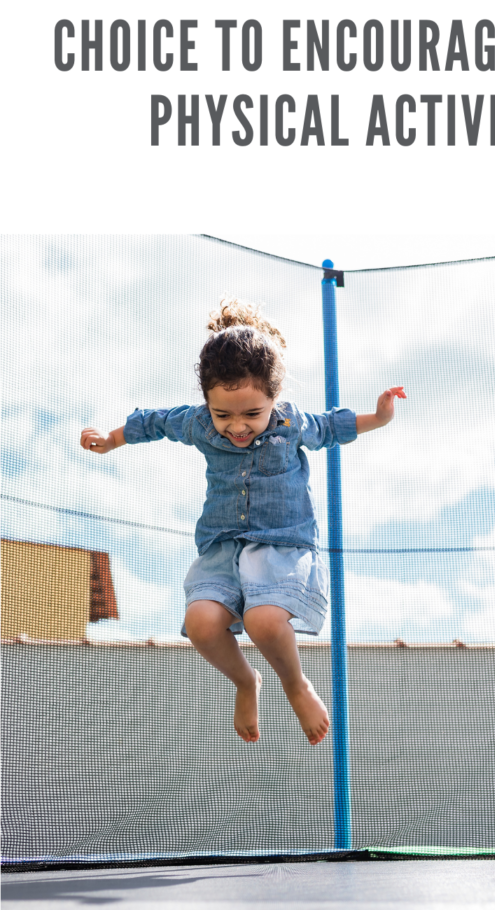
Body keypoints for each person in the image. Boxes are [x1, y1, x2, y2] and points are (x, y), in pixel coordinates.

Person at [80, 297, 406, 747]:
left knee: (265, 621)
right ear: (207, 404)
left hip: (281, 545)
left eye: (252, 414)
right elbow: (154, 423)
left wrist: (381, 417)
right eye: (223, 414)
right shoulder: (198, 424)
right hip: (221, 546)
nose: (237, 427)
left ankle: (296, 685)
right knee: (201, 623)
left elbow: (332, 427)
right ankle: (246, 683)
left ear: (275, 398)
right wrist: (110, 440)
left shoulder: (291, 422)